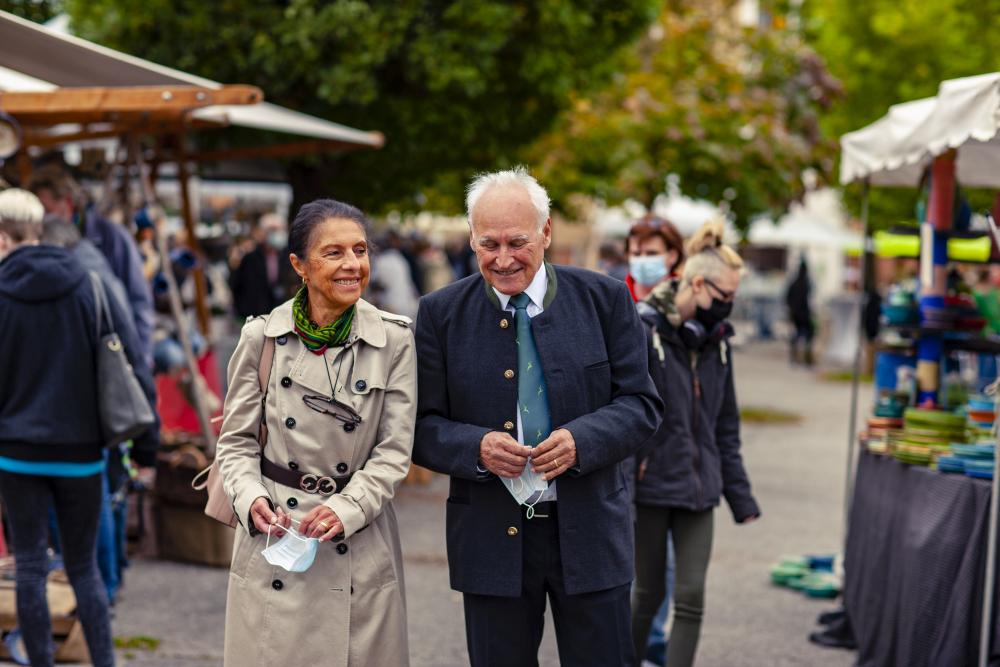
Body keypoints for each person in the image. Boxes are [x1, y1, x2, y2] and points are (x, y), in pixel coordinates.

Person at [412, 167, 662, 666]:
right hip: (490, 538)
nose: (503, 259)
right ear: (472, 239)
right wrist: (475, 448)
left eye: (517, 242)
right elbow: (419, 426)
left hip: (591, 532)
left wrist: (581, 441)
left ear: (546, 233)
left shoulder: (605, 300)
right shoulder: (440, 314)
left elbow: (642, 405)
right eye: (488, 244)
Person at [216, 199, 415, 666]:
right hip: (273, 541)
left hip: (356, 542)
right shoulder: (262, 338)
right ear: (300, 266)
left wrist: (347, 508)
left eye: (360, 250)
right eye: (334, 253)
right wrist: (250, 499)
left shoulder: (395, 340)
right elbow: (236, 441)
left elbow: (393, 452)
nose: (353, 265)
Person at [0, 189, 152, 667]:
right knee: (83, 568)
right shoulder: (90, 283)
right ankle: (103, 661)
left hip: (15, 451)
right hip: (82, 452)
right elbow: (130, 358)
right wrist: (147, 444)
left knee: (28, 565)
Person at [631, 220, 761, 667]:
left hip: (699, 489)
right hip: (648, 487)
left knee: (690, 596)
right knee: (645, 594)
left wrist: (739, 497)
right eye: (725, 297)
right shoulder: (642, 330)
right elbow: (624, 416)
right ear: (698, 283)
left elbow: (726, 426)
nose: (730, 307)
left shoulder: (719, 345)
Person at [39, 215, 160, 602]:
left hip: (86, 418)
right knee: (102, 498)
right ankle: (105, 588)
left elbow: (130, 347)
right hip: (89, 416)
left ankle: (101, 592)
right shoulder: (89, 273)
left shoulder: (85, 279)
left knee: (96, 501)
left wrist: (148, 441)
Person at [624, 214, 686, 666]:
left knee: (657, 568)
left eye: (653, 254)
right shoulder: (613, 303)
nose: (644, 261)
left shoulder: (687, 313)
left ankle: (652, 651)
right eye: (637, 252)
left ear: (673, 256)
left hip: (662, 459)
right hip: (617, 456)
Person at [29, 164, 154, 368]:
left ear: (67, 203)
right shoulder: (42, 241)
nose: (42, 220)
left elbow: (139, 301)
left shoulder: (111, 237)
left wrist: (142, 363)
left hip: (116, 353)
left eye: (47, 211)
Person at [228, 212, 298, 319]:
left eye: (280, 229)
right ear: (263, 232)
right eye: (272, 229)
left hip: (280, 315)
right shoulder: (250, 257)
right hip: (255, 316)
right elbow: (236, 284)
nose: (277, 233)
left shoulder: (288, 256)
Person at [626, 214, 686, 301]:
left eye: (651, 254)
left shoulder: (686, 299)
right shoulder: (615, 297)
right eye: (636, 254)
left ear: (673, 256)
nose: (643, 260)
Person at [786, 257, 815, 366]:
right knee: (808, 335)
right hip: (804, 314)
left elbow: (787, 297)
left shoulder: (794, 282)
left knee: (796, 335)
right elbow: (810, 300)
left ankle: (795, 357)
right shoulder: (807, 284)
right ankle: (806, 358)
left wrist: (791, 309)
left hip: (795, 314)